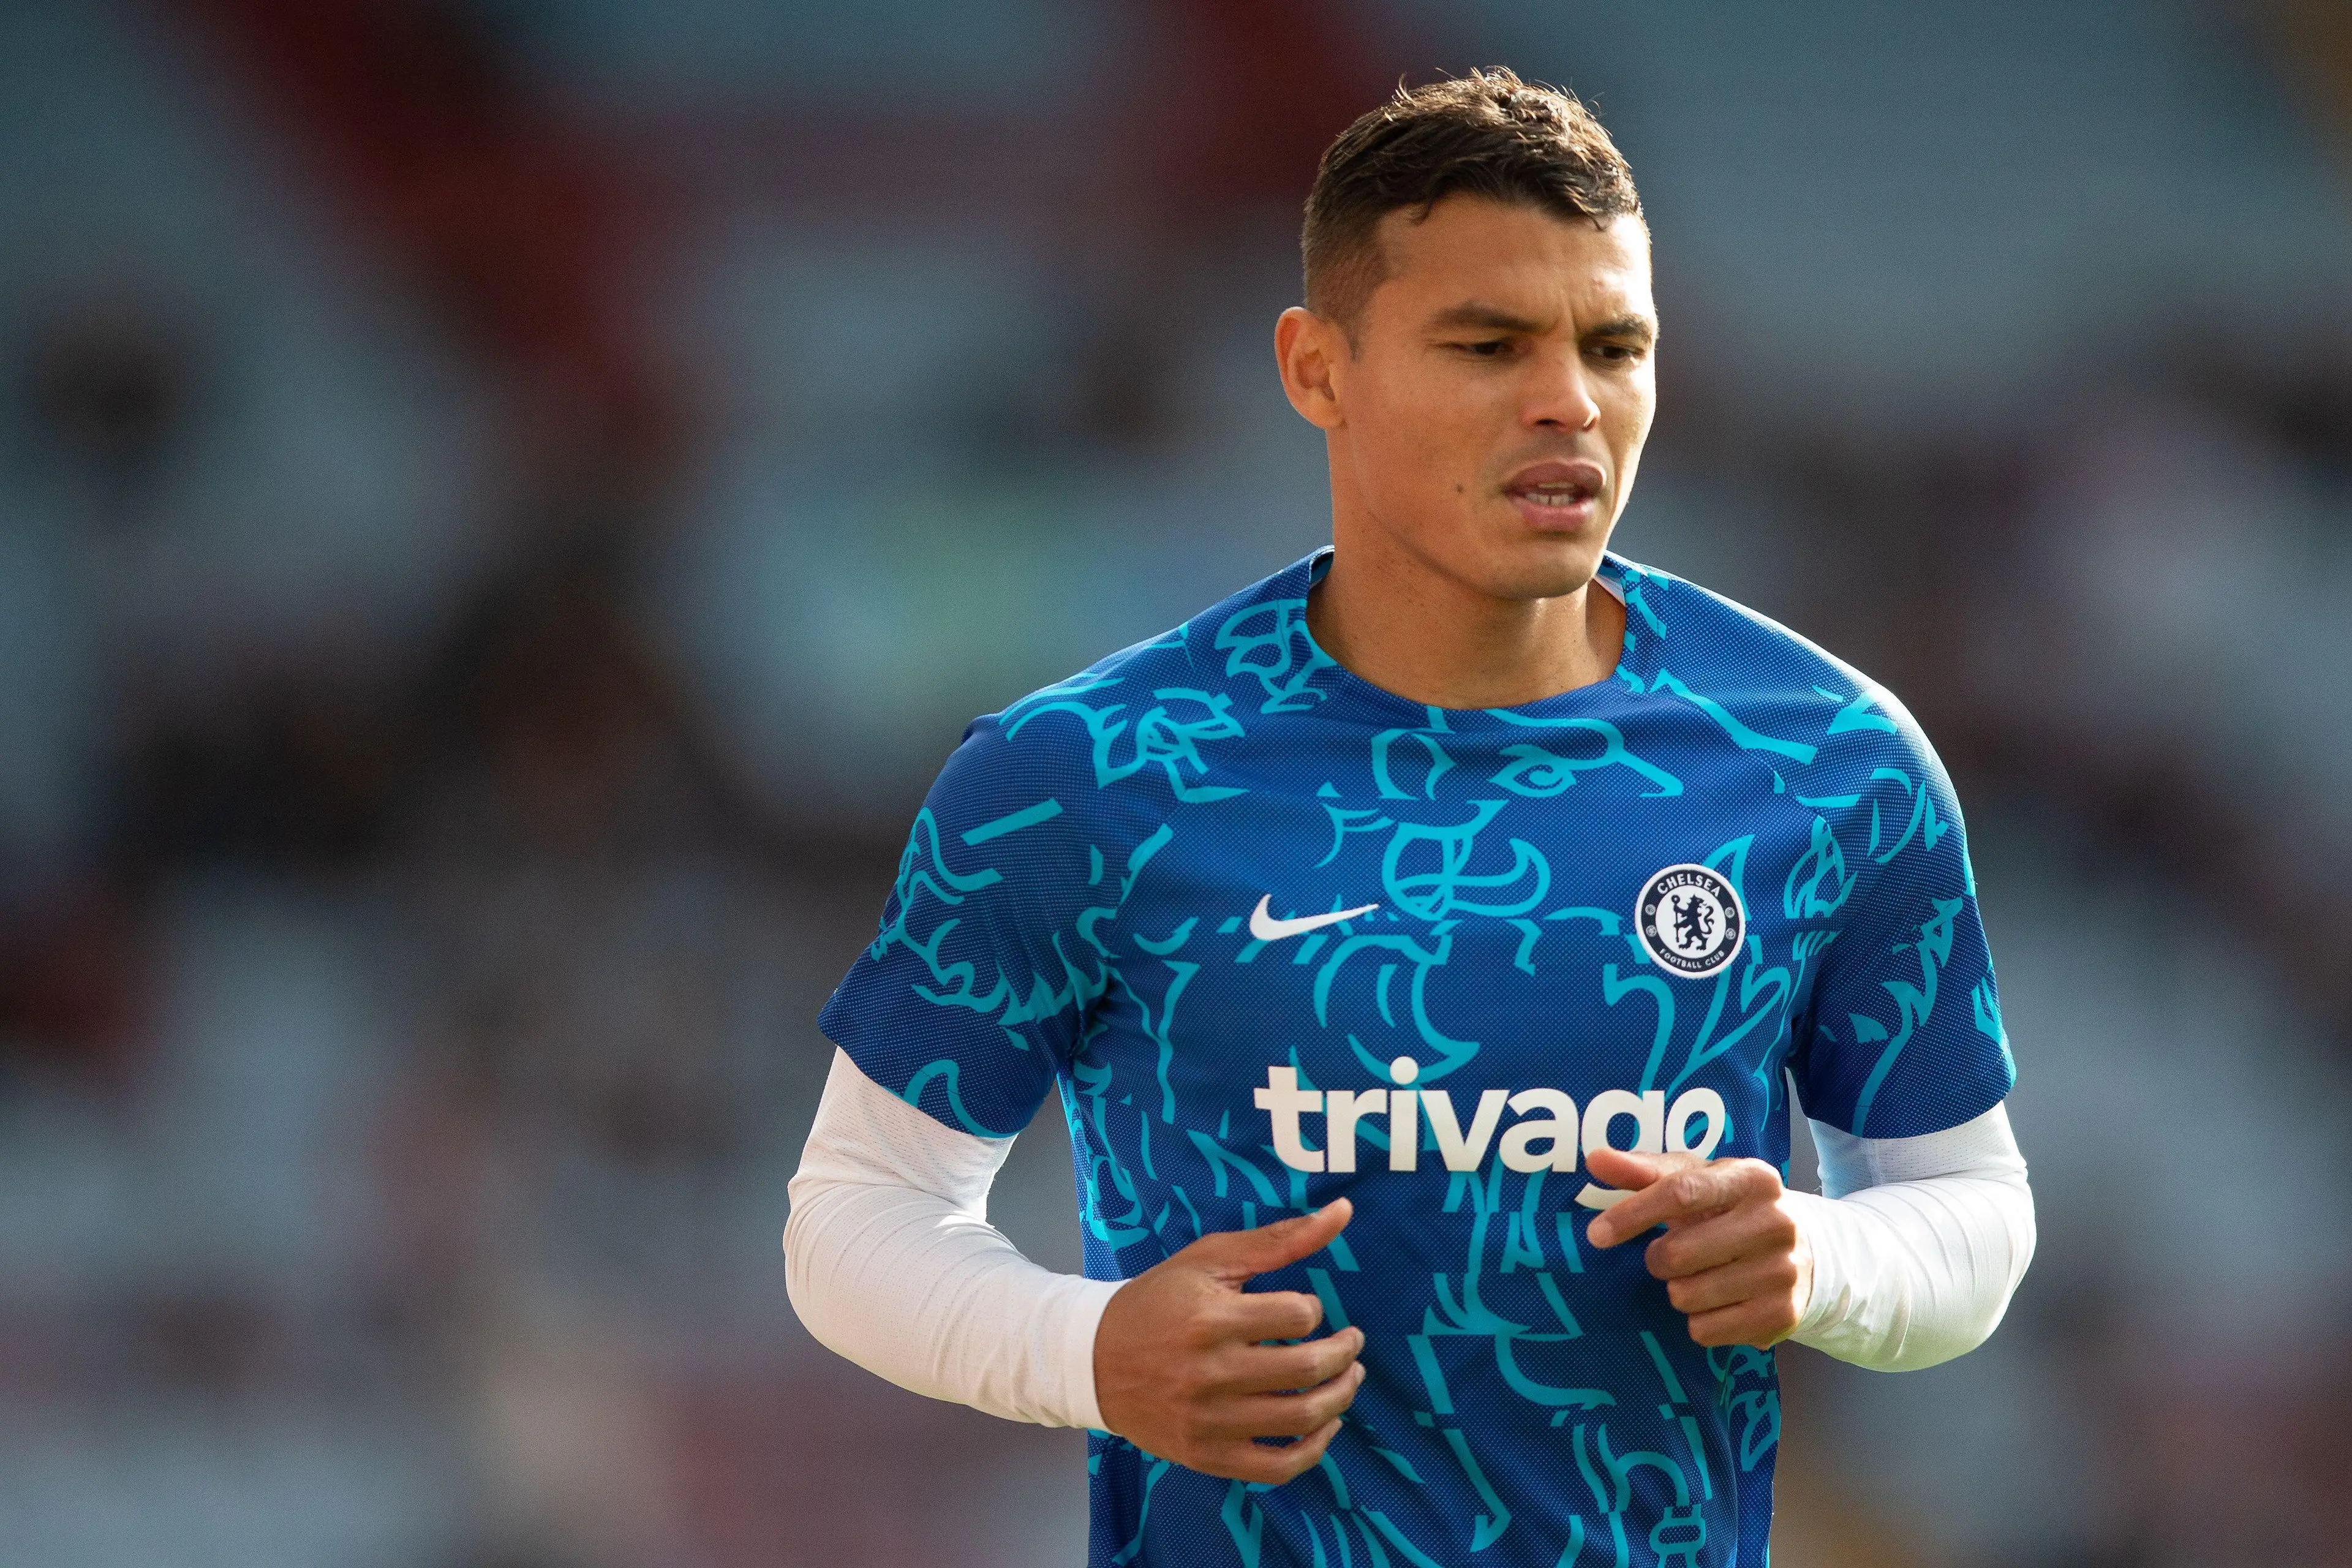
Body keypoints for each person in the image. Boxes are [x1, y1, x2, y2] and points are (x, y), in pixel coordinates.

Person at [786, 68, 2035, 1567]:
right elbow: (853, 1218)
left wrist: (1824, 1256)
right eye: (1490, 342)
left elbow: (1969, 1208)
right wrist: (1090, 1348)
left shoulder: (1827, 761)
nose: (1569, 397)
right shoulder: (1089, 772)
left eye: (1614, 344)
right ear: (1318, 367)